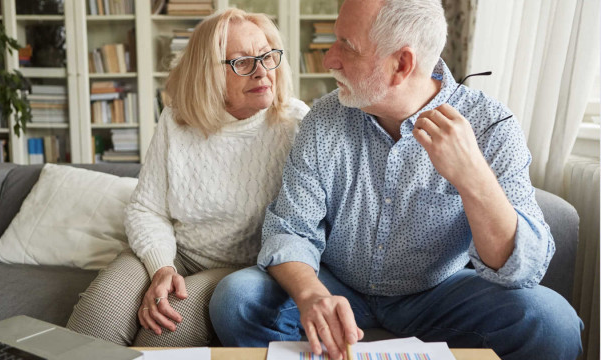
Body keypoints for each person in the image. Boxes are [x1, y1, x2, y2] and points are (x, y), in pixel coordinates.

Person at [209, 1, 583, 359]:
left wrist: (473, 179)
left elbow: (524, 268)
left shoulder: (491, 126)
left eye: (347, 46)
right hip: (338, 287)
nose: (329, 60)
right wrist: (311, 295)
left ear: (402, 64)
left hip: (441, 294)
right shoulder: (323, 120)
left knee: (553, 325)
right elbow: (290, 230)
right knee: (237, 300)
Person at [66, 8, 309, 347]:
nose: (261, 71)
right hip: (177, 253)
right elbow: (147, 209)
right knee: (97, 317)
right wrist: (161, 268)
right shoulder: (177, 119)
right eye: (241, 62)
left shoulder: (296, 124)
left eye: (267, 56)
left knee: (161, 331)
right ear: (208, 73)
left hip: (241, 269)